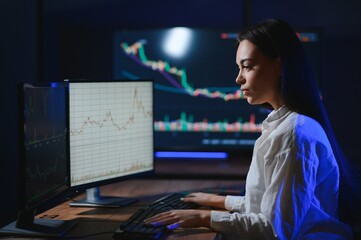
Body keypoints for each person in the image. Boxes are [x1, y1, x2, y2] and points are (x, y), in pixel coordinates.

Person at [145, 18, 361, 239]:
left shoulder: (293, 135)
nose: (239, 78)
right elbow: (267, 205)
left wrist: (204, 218)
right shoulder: (287, 125)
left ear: (280, 65)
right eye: (239, 68)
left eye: (247, 67)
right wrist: (218, 201)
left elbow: (274, 230)